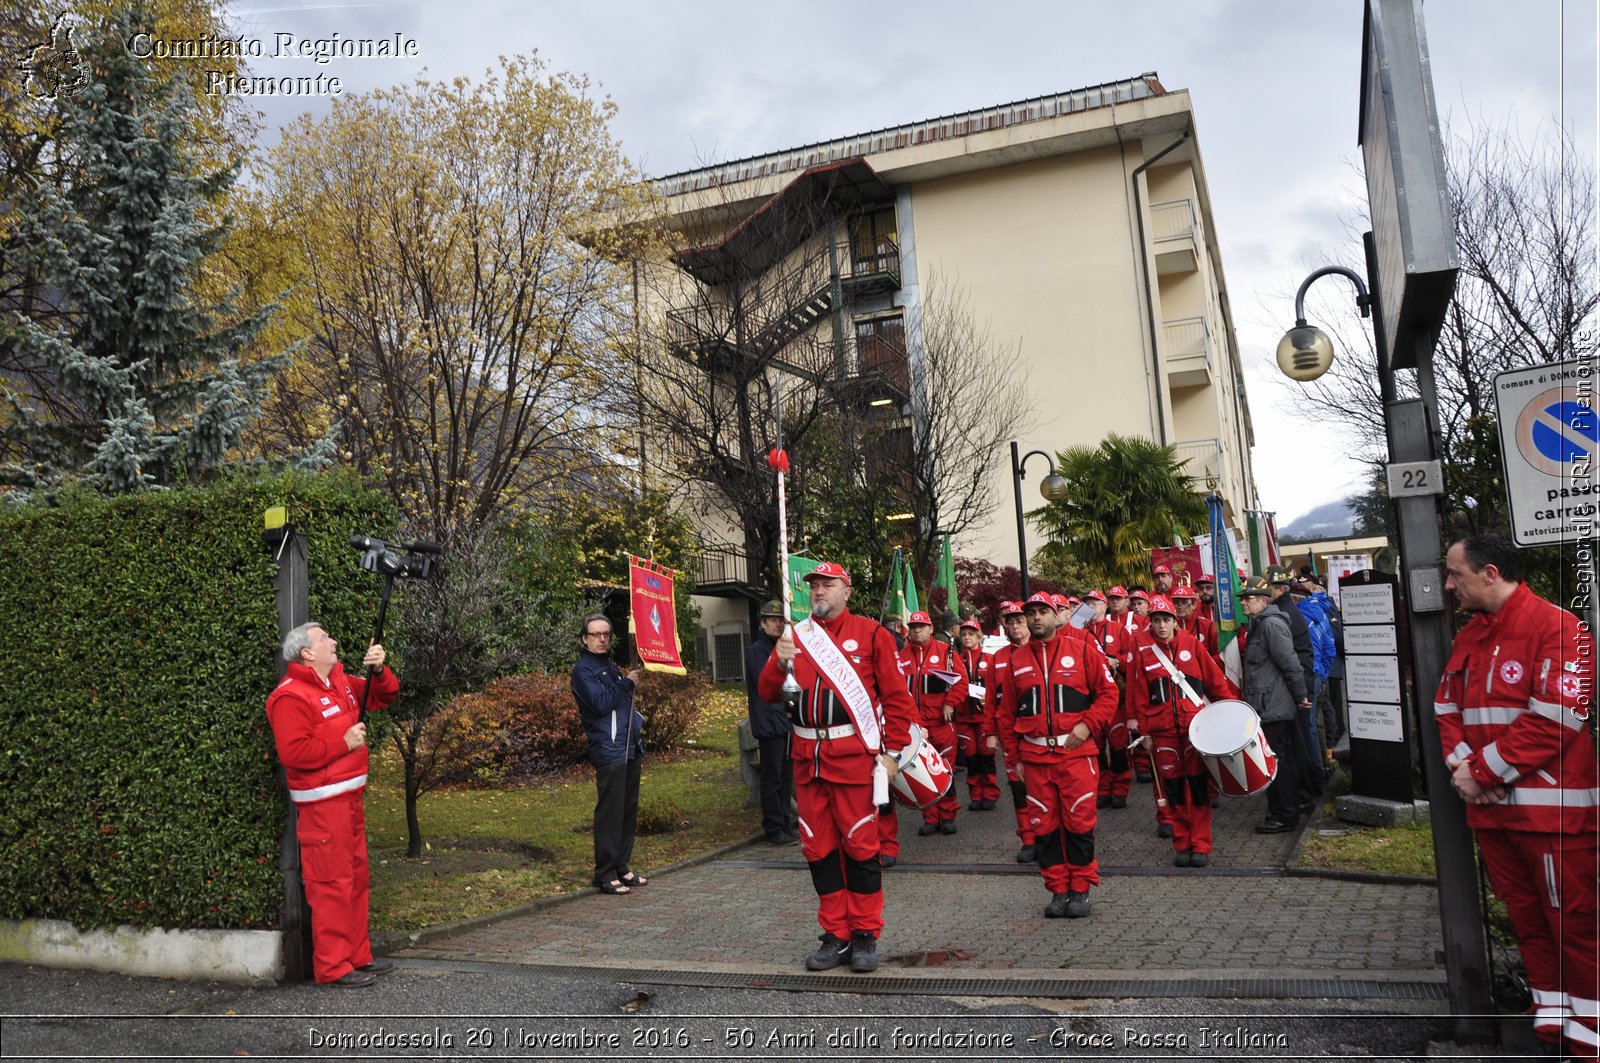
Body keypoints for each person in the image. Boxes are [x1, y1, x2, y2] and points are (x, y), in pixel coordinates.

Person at [1436, 532, 1597, 1058]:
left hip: (1554, 819)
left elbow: (1558, 718)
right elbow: (1447, 709)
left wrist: (1479, 773)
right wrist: (1467, 772)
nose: (1447, 584)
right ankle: (1552, 1029)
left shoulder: (1559, 627)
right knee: (1529, 923)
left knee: (1574, 926)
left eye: (1455, 573)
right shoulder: (1472, 635)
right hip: (1497, 815)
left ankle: (1590, 1038)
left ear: (1488, 573)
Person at [760, 561, 916, 974]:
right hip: (807, 762)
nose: (818, 592)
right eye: (814, 586)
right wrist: (777, 661)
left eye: (828, 585)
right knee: (819, 851)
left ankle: (865, 933)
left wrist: (893, 754)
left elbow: (899, 700)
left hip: (853, 761)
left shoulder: (872, 634)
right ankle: (836, 935)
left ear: (846, 591)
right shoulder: (796, 636)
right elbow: (766, 692)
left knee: (862, 848)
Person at [266, 621, 400, 988]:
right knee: (331, 885)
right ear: (307, 653)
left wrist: (379, 670)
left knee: (356, 881)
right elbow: (293, 753)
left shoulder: (340, 682)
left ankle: (357, 957)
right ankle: (333, 966)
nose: (334, 640)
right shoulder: (289, 696)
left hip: (349, 801)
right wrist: (342, 742)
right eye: (325, 638)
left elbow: (382, 695)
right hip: (323, 810)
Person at [996, 592, 1119, 919]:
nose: (1036, 618)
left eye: (1043, 612)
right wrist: (1014, 760)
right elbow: (1005, 716)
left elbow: (1109, 694)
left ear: (1057, 615)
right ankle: (1057, 890)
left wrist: (1087, 726)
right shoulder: (1016, 661)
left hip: (1076, 756)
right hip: (1035, 761)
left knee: (1079, 824)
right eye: (1031, 613)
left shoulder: (1082, 650)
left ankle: (1080, 889)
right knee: (1045, 828)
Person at [1124, 595, 1237, 867]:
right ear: (1149, 622)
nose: (1161, 625)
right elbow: (1137, 692)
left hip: (1194, 730)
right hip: (1161, 732)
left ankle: (1200, 844)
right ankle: (1182, 843)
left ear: (1175, 621)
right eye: (1156, 620)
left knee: (1198, 789)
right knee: (1173, 790)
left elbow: (1215, 683)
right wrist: (1142, 729)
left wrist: (1234, 713)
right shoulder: (1142, 650)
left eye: (1166, 620)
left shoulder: (1192, 645)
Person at [571, 614, 647, 896]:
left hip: (628, 745)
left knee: (627, 809)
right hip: (609, 747)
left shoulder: (610, 667)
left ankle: (621, 866)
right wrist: (627, 683)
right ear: (585, 639)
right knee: (610, 812)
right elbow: (601, 703)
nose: (602, 639)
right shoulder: (583, 671)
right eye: (596, 635)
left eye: (606, 634)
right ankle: (604, 872)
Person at [1236, 578, 1311, 834]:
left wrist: (1301, 695)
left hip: (1274, 706)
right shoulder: (1259, 624)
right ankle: (1282, 811)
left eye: (1248, 598)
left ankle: (1284, 815)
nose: (1243, 602)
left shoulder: (1271, 625)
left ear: (1264, 601)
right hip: (1266, 704)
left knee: (1279, 762)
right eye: (1242, 599)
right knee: (1277, 761)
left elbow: (1290, 663)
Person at [900, 610, 966, 835]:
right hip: (915, 727)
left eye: (921, 626)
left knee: (944, 769)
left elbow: (961, 683)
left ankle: (948, 815)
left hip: (940, 723)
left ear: (931, 629)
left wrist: (950, 703)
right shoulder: (901, 656)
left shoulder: (946, 652)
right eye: (913, 627)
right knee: (920, 773)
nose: (917, 630)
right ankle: (930, 817)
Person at [986, 600, 1038, 862]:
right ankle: (1028, 839)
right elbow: (991, 700)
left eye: (1020, 620)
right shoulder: (998, 658)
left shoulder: (1040, 651)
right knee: (1018, 788)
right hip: (1010, 734)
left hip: (1037, 731)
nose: (1016, 626)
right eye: (1011, 621)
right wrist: (991, 732)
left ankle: (1048, 837)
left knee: (1043, 788)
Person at [745, 600, 797, 845]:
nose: (778, 624)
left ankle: (786, 822)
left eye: (781, 620)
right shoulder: (758, 650)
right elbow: (765, 684)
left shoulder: (783, 647)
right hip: (770, 723)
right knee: (772, 777)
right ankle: (773, 827)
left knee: (786, 778)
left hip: (786, 722)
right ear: (763, 623)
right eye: (773, 620)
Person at [952, 617, 999, 811]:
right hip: (963, 716)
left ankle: (990, 793)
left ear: (979, 637)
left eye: (971, 634)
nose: (967, 637)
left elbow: (995, 687)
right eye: (963, 635)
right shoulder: (955, 659)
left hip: (983, 717)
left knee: (986, 756)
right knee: (970, 757)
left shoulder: (989, 658)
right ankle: (975, 795)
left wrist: (986, 697)